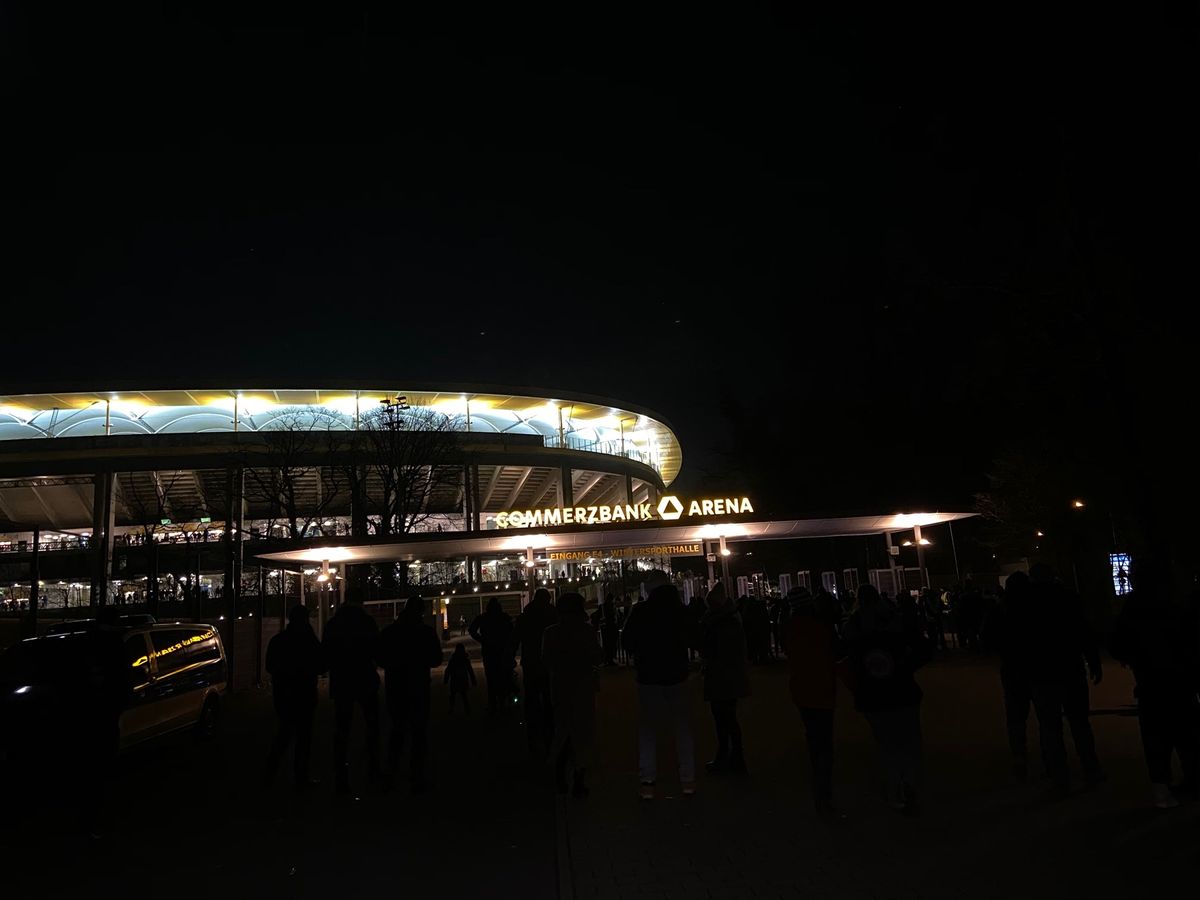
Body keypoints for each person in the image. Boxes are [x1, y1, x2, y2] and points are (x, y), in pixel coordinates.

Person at [1109, 557, 1200, 808]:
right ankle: (1192, 778)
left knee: (1156, 736)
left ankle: (1162, 789)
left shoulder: (1135, 605)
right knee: (1187, 733)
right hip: (1183, 680)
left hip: (1151, 682)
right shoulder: (1180, 602)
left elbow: (1119, 643)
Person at [842, 583, 930, 815]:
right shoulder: (896, 621)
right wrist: (904, 667)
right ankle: (910, 784)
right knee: (910, 740)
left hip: (872, 696)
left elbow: (847, 661)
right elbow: (923, 649)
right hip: (903, 691)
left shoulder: (853, 627)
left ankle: (895, 790)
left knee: (887, 744)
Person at [1027, 562, 1105, 796]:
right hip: (1070, 668)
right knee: (1080, 722)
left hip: (1041, 672)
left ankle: (1059, 777)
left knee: (1050, 727)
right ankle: (1091, 768)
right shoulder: (1069, 597)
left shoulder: (1027, 602)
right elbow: (1084, 630)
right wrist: (1093, 661)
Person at [621, 570, 698, 799]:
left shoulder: (642, 611)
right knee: (683, 727)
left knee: (648, 729)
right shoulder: (679, 610)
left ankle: (648, 781)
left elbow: (627, 640)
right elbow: (694, 636)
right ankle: (688, 779)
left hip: (648, 676)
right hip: (677, 674)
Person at [376, 595, 443, 793]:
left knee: (397, 730)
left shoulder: (389, 632)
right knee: (419, 733)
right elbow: (436, 659)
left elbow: (380, 658)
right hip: (418, 686)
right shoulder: (426, 633)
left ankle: (391, 773)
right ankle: (417, 775)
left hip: (396, 687)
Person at [542, 592, 603, 798]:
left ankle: (559, 774)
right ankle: (579, 778)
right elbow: (597, 656)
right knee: (583, 734)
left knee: (562, 730)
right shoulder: (586, 631)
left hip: (560, 686)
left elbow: (546, 659)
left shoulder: (551, 633)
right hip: (583, 686)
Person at [785, 586, 839, 819]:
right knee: (825, 740)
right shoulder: (822, 625)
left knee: (813, 735)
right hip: (824, 687)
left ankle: (817, 774)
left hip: (801, 688)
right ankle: (823, 789)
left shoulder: (788, 627)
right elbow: (836, 651)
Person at [322, 593, 382, 795]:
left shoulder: (334, 623)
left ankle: (341, 771)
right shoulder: (366, 622)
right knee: (372, 723)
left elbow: (326, 655)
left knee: (342, 728)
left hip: (342, 680)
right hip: (364, 677)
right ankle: (373, 766)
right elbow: (377, 651)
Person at [980, 571, 1038, 782]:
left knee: (1015, 715)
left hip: (1012, 668)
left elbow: (986, 639)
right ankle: (1054, 757)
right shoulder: (1037, 608)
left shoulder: (1000, 610)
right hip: (1039, 667)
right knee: (1047, 714)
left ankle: (1019, 755)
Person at [264, 604, 326, 790]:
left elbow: (270, 666)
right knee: (303, 738)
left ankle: (269, 774)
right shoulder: (309, 641)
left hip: (283, 695)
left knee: (283, 735)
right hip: (305, 694)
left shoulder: (278, 640)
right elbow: (321, 665)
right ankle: (300, 777)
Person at [699, 582, 750, 774]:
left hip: (720, 676)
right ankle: (734, 758)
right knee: (729, 719)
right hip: (730, 676)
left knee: (723, 719)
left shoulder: (717, 623)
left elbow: (709, 648)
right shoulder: (731, 620)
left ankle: (728, 757)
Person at [513, 588, 559, 757]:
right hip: (549, 663)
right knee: (549, 696)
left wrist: (510, 656)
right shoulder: (553, 615)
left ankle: (533, 730)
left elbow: (515, 638)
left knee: (531, 697)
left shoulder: (525, 617)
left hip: (531, 661)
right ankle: (549, 728)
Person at [470, 597, 515, 714]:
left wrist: (482, 640)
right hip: (502, 651)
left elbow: (472, 630)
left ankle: (493, 703)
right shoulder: (504, 617)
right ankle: (502, 701)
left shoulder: (483, 618)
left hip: (489, 651)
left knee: (491, 679)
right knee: (503, 677)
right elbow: (512, 632)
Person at [444, 643, 477, 712]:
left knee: (453, 694)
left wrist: (446, 679)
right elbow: (470, 671)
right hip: (463, 679)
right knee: (464, 695)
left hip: (454, 679)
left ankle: (451, 708)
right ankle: (467, 709)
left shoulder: (453, 660)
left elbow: (448, 670)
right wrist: (473, 680)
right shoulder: (465, 660)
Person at [601, 594, 620, 666]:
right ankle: (610, 659)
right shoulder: (611, 606)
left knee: (607, 644)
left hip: (605, 628)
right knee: (611, 644)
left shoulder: (603, 606)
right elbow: (614, 616)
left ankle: (607, 659)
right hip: (611, 627)